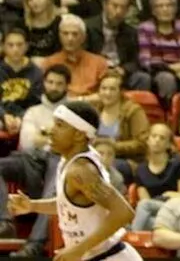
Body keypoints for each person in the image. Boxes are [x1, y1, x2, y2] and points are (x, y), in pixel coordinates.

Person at [5, 101, 142, 261]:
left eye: (60, 125)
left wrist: (79, 249)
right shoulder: (68, 161)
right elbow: (68, 204)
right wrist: (33, 205)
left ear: (79, 134)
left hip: (110, 256)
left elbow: (124, 213)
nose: (51, 131)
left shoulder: (82, 170)